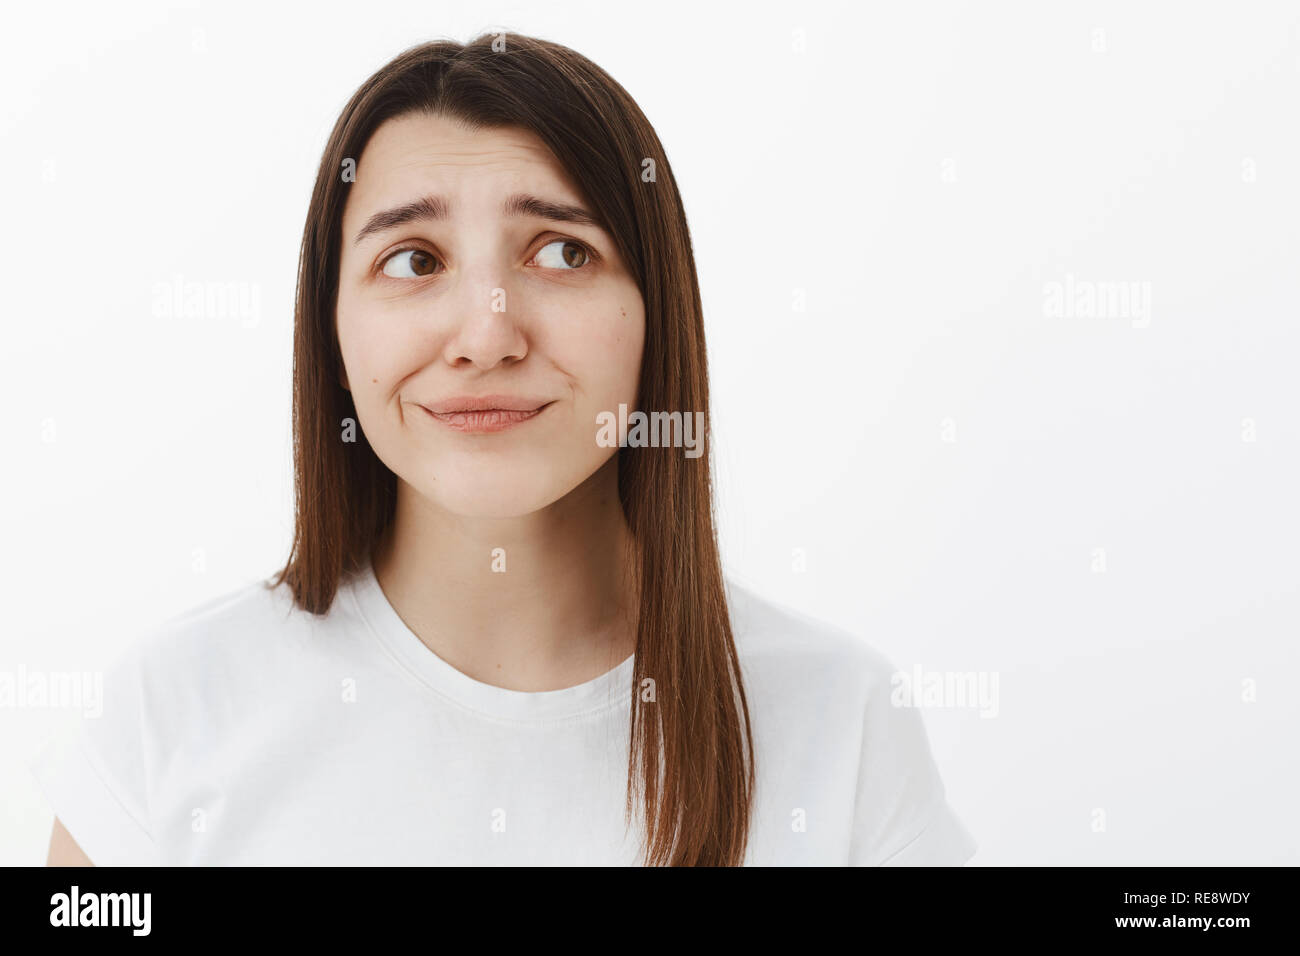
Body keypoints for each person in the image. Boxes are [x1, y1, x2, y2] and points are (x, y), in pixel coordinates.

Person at [31, 31, 977, 866]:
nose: (486, 336)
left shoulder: (843, 727)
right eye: (414, 261)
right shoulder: (171, 720)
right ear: (330, 331)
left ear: (659, 315)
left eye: (562, 252)